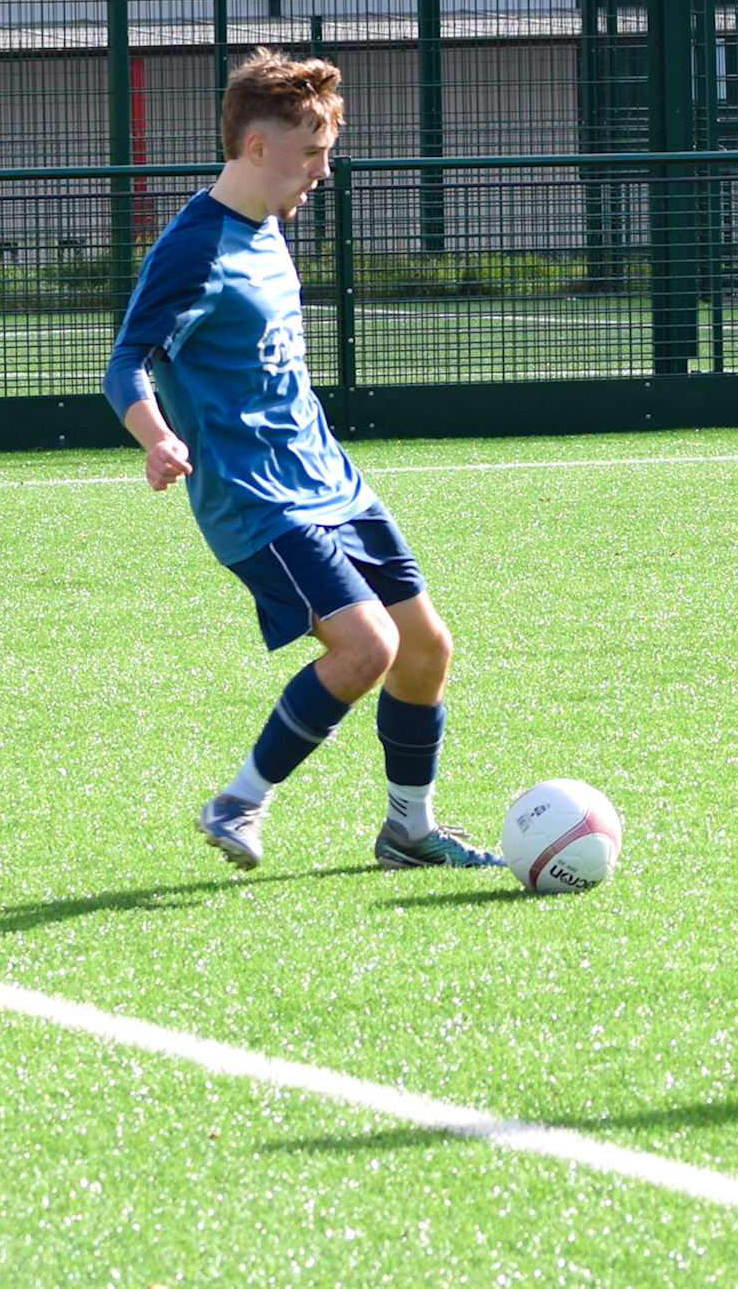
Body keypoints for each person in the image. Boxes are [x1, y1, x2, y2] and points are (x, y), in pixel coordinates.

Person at [104, 49, 503, 875]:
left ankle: (408, 830)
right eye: (313, 150)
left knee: (425, 646)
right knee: (366, 650)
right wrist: (157, 437)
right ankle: (239, 802)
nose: (325, 168)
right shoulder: (193, 248)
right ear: (257, 146)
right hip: (258, 500)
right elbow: (124, 363)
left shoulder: (271, 227)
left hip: (331, 478)